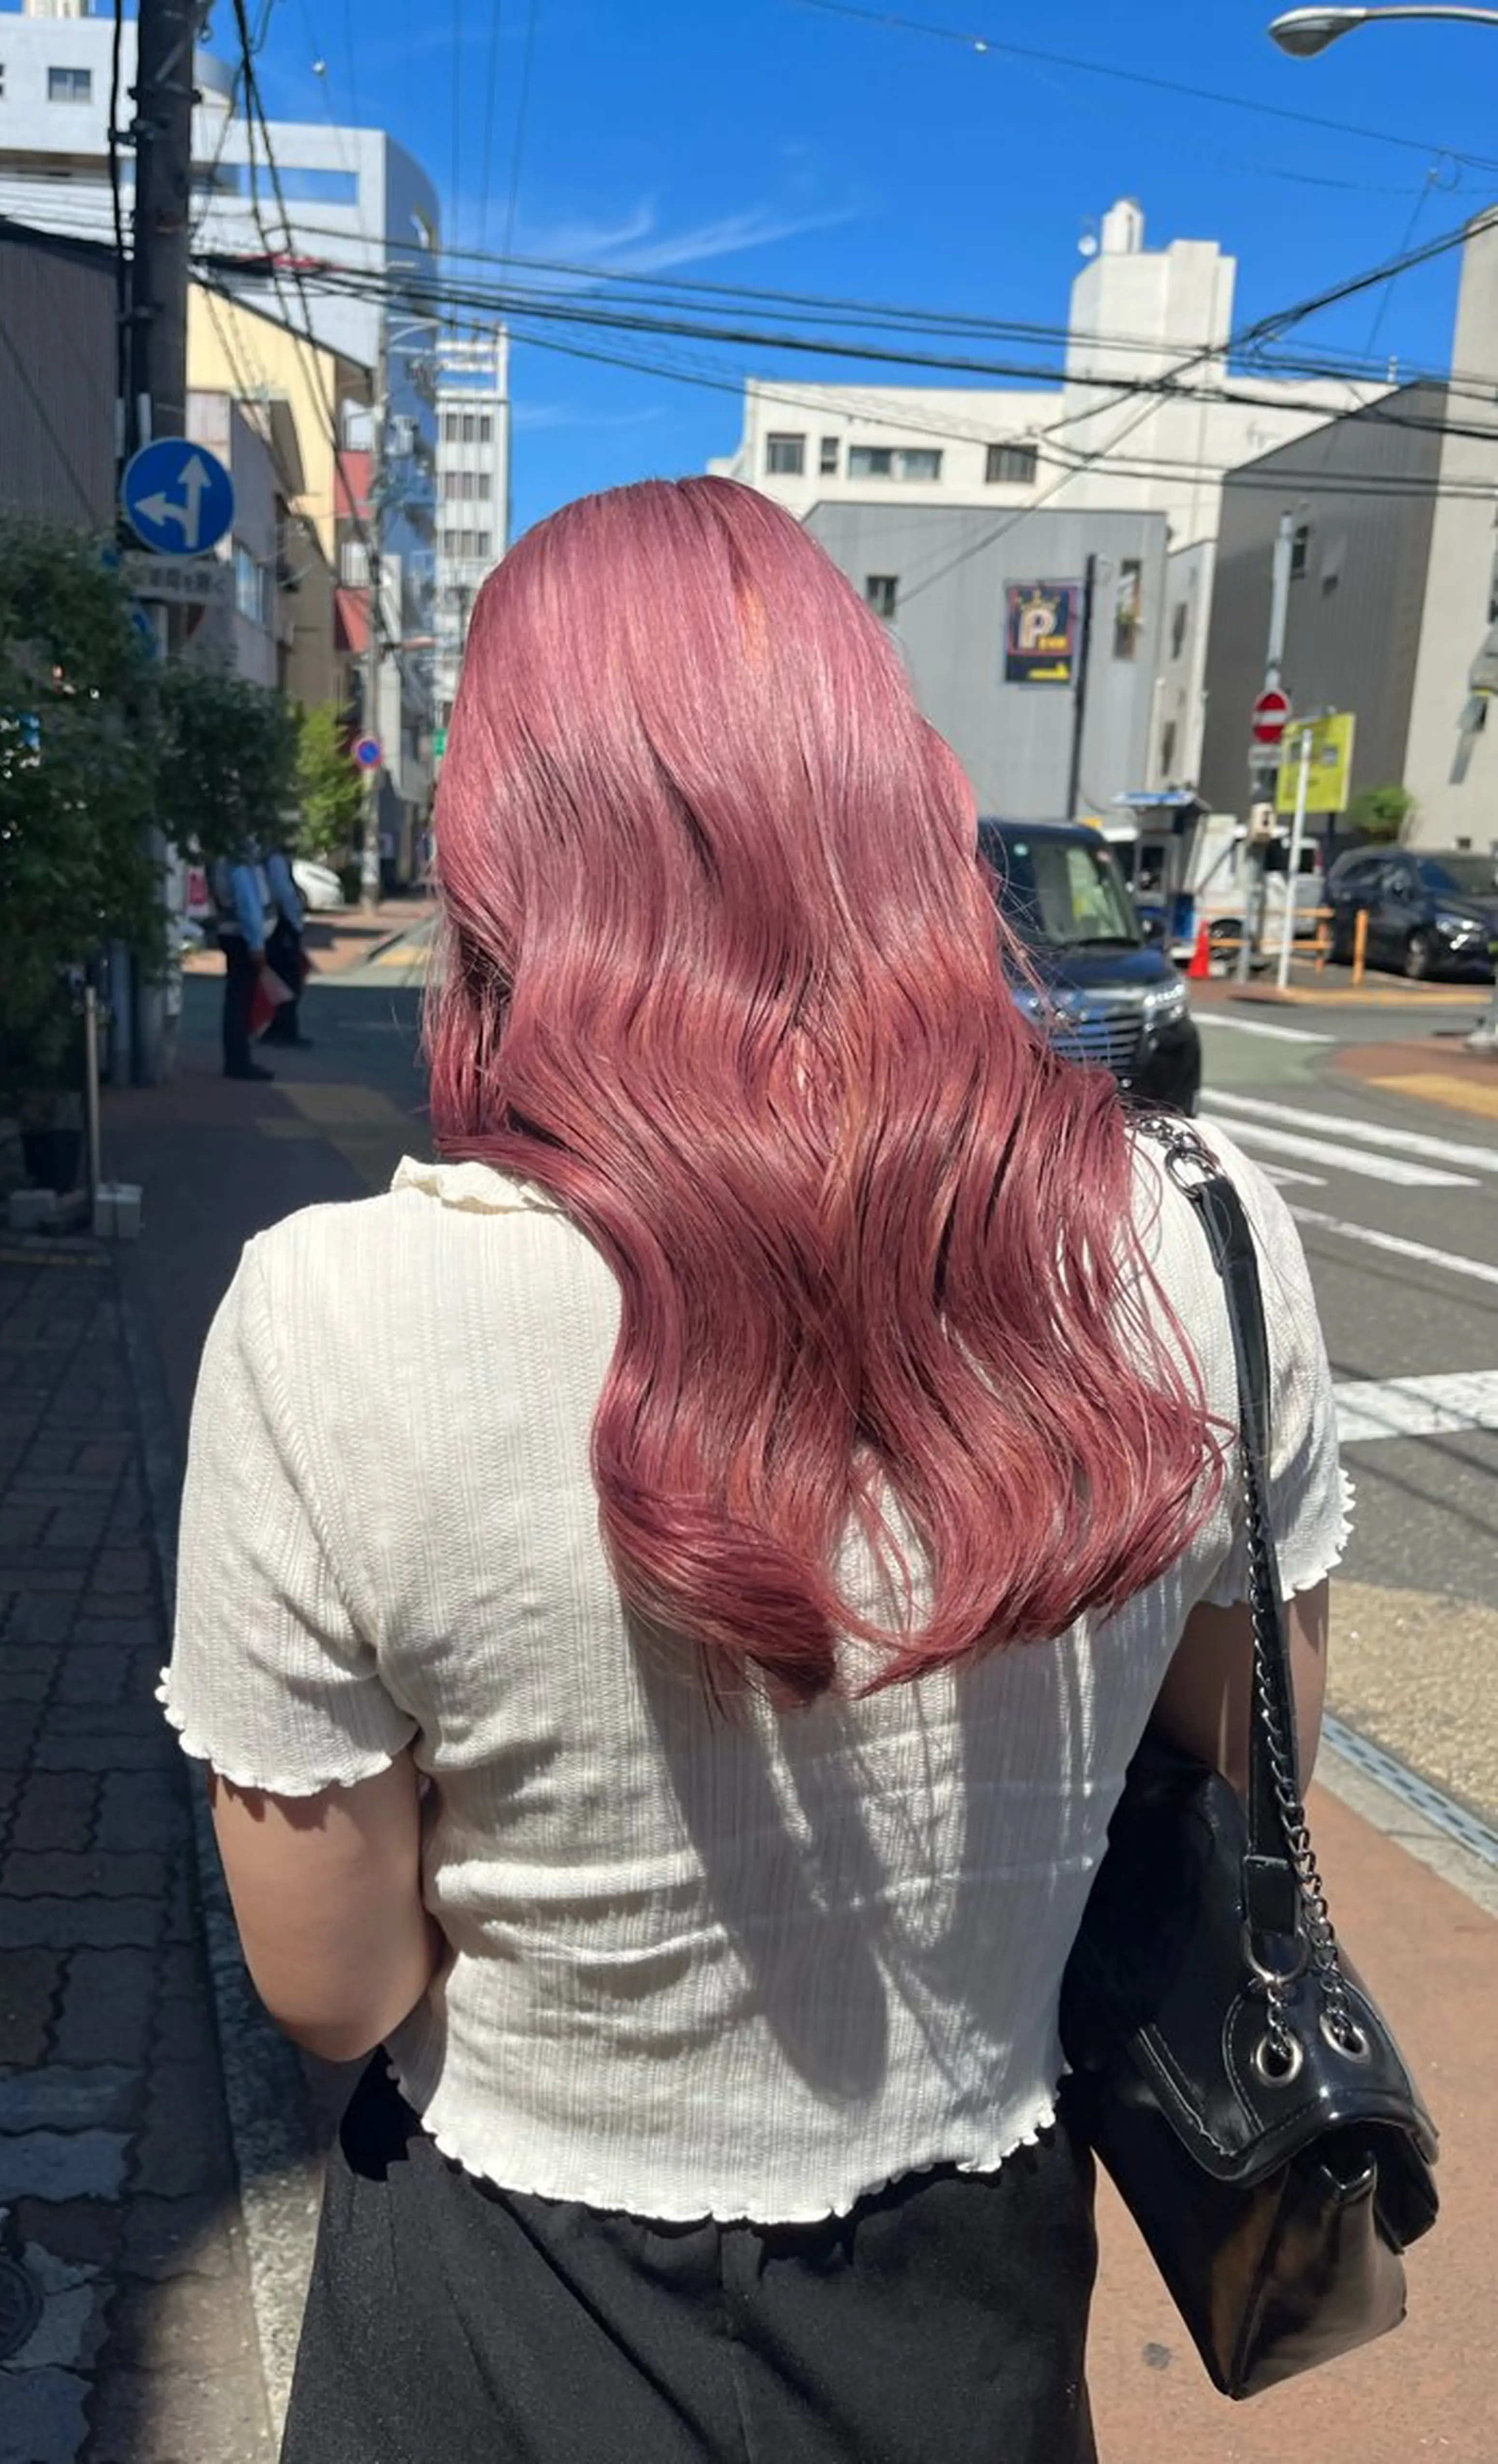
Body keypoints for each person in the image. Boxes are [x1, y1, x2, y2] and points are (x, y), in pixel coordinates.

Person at [162, 479, 1347, 2462]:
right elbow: (1266, 1734)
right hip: (969, 2318)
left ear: (498, 850)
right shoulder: (1202, 1237)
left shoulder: (335, 1309)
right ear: (891, 795)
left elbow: (339, 1978)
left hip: (499, 2313)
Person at [209, 848, 272, 1083]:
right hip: (242, 938)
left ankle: (239, 1059)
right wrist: (257, 944)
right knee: (240, 1001)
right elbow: (249, 906)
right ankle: (239, 1061)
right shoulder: (238, 863)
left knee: (238, 999)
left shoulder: (224, 860)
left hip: (233, 934)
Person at [258, 838, 311, 1049]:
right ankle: (284, 1029)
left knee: (281, 976)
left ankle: (276, 1027)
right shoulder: (275, 859)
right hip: (283, 925)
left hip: (273, 924)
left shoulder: (266, 858)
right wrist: (296, 921)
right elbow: (284, 893)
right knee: (289, 978)